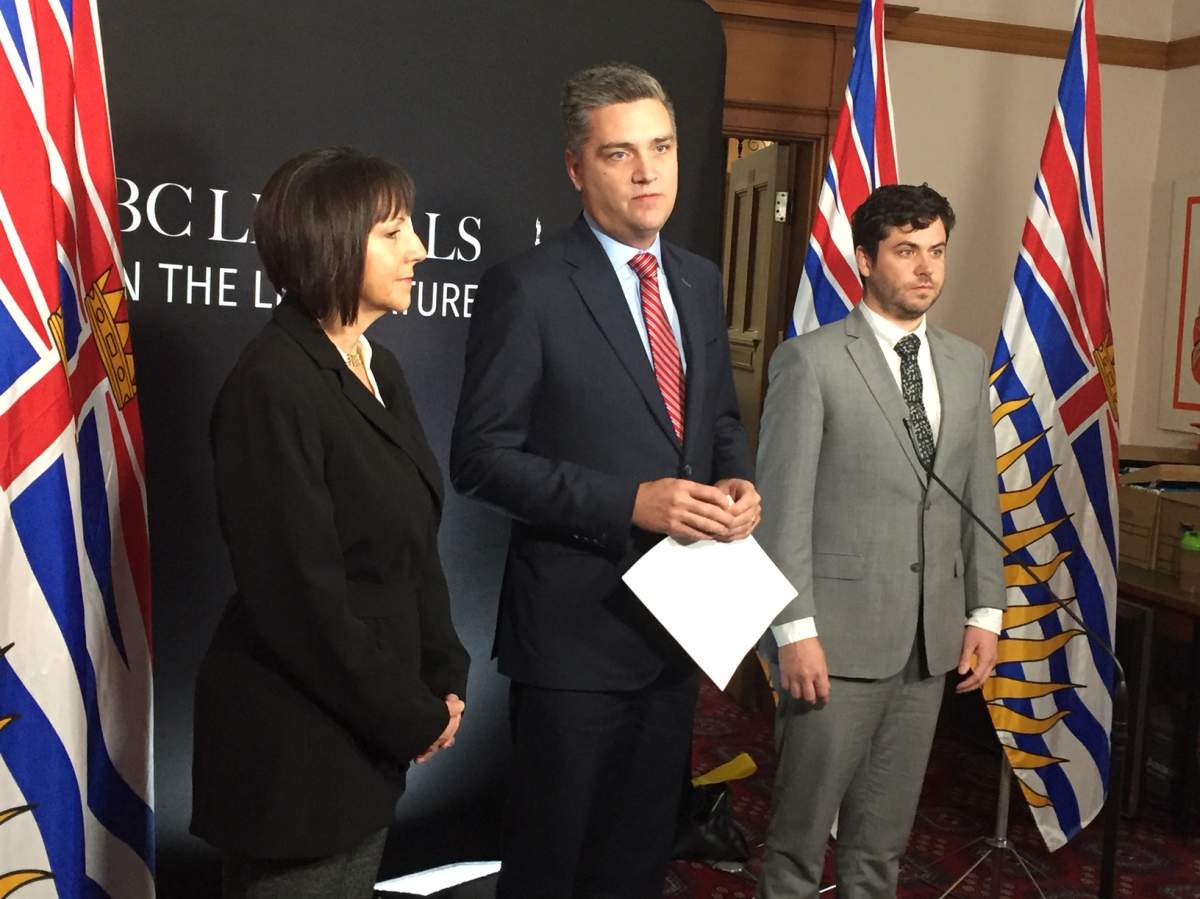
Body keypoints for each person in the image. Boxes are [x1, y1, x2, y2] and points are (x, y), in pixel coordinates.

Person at [450, 62, 759, 898]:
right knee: (554, 865)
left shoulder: (698, 279)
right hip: (574, 637)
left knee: (636, 863)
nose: (649, 171)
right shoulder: (530, 286)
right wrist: (631, 503)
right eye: (621, 154)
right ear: (577, 167)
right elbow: (479, 456)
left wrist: (739, 482)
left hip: (678, 630)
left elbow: (719, 420)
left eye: (661, 147)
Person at [191, 147, 469, 898]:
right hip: (295, 754)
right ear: (331, 241)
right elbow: (300, 601)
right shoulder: (272, 384)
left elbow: (412, 544)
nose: (419, 248)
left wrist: (444, 676)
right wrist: (410, 714)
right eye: (393, 231)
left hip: (363, 739)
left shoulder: (380, 366)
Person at [755, 183, 1007, 898]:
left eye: (936, 252)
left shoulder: (965, 362)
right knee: (799, 847)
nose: (926, 269)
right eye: (906, 252)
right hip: (833, 640)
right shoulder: (810, 362)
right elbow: (783, 514)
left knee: (881, 849)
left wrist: (985, 611)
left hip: (929, 643)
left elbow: (979, 497)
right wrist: (793, 631)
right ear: (865, 258)